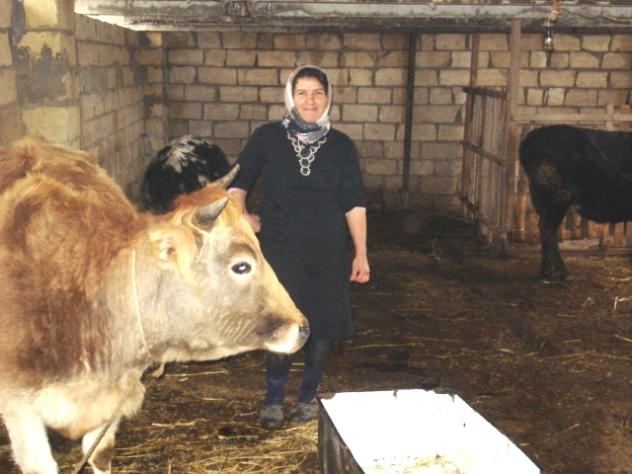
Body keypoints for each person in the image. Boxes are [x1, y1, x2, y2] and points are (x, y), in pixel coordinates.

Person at [229, 65, 370, 429]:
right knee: (282, 324)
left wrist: (361, 252)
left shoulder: (341, 146)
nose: (310, 100)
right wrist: (245, 219)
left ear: (328, 98)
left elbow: (354, 202)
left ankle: (307, 397)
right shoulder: (267, 138)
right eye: (302, 92)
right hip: (280, 250)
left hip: (328, 250)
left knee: (322, 327)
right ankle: (274, 398)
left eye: (318, 93)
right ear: (290, 97)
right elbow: (237, 184)